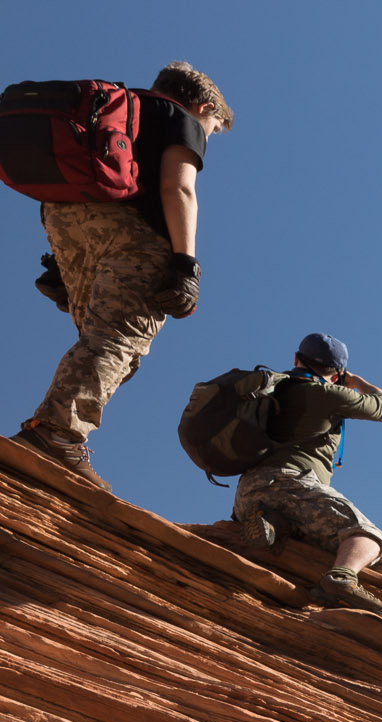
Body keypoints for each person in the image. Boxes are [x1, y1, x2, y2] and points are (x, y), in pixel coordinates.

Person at [15, 63, 232, 491]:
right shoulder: (180, 119)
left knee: (98, 338)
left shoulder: (114, 108)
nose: (205, 136)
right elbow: (178, 188)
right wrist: (186, 263)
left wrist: (66, 261)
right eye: (211, 129)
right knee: (119, 338)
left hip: (64, 221)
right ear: (204, 106)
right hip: (133, 231)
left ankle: (53, 427)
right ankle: (55, 433)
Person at [234, 333, 382, 616]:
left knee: (298, 522)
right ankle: (342, 579)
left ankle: (272, 524)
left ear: (296, 359)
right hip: (292, 482)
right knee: (368, 536)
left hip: (247, 492)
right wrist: (356, 382)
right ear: (337, 373)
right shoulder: (326, 394)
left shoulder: (270, 388)